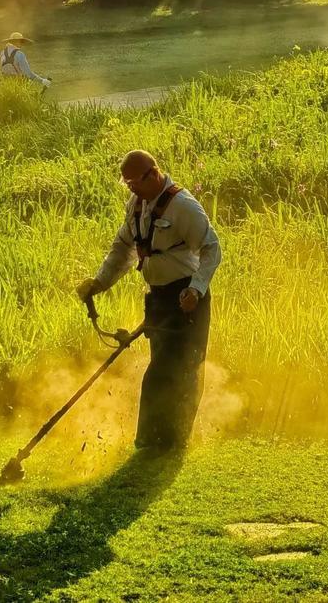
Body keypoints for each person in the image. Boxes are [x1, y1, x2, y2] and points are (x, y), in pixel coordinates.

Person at [77, 150, 221, 455]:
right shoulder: (137, 205)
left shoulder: (183, 206)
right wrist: (99, 282)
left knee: (178, 369)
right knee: (164, 367)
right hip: (158, 297)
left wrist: (195, 290)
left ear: (153, 174)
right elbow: (123, 249)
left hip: (187, 298)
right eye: (126, 183)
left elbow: (212, 248)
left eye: (134, 182)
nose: (130, 189)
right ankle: (160, 441)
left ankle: (164, 441)